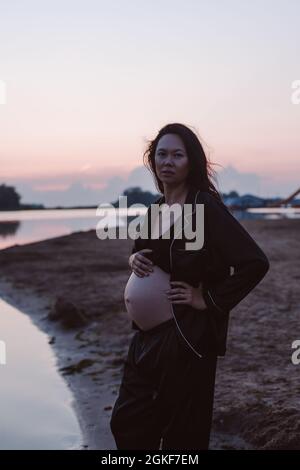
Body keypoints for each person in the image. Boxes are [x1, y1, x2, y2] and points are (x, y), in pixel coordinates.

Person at [110, 123, 270, 450]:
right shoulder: (155, 209)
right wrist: (133, 261)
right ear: (152, 161)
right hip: (144, 338)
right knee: (127, 422)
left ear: (191, 161)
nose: (167, 161)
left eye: (177, 155)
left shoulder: (205, 207)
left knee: (182, 435)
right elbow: (143, 252)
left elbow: (254, 262)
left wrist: (206, 299)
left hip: (185, 336)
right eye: (161, 154)